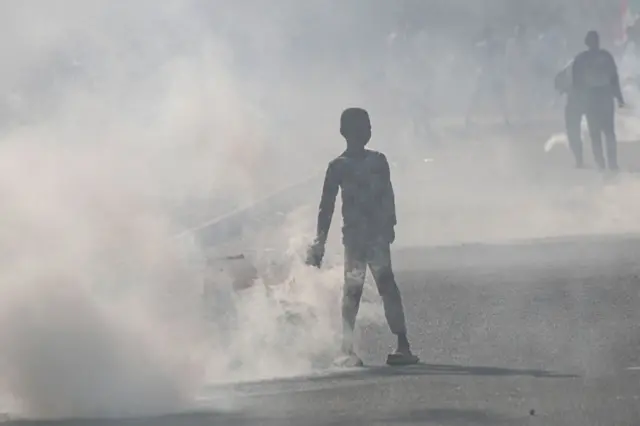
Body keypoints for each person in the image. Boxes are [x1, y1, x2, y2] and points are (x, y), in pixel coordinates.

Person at [306, 107, 419, 367]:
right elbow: (327, 206)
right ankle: (348, 348)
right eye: (363, 126)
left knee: (384, 286)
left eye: (368, 126)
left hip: (373, 236)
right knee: (354, 291)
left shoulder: (377, 161)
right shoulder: (338, 167)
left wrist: (390, 224)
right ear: (347, 132)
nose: (368, 131)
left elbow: (387, 195)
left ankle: (402, 344)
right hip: (356, 238)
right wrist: (319, 241)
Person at [571, 30, 625, 171]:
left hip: (593, 98)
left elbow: (577, 83)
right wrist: (619, 97)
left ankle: (603, 164)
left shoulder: (582, 59)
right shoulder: (605, 56)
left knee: (598, 134)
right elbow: (614, 79)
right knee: (606, 133)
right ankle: (609, 165)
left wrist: (619, 97)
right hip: (602, 97)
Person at [466, 26, 510, 128]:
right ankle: (506, 120)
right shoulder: (489, 45)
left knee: (478, 97)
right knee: (496, 97)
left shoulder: (481, 46)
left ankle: (468, 119)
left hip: (486, 74)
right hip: (489, 74)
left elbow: (474, 56)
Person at [555, 59, 586, 168]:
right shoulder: (572, 64)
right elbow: (559, 81)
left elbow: (558, 81)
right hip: (582, 101)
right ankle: (580, 159)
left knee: (573, 131)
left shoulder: (572, 64)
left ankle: (580, 159)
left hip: (578, 101)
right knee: (573, 131)